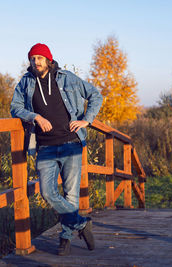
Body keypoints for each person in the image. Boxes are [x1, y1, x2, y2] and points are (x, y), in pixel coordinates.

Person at [10, 43, 103, 256]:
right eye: (33, 58)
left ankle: (65, 238)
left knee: (71, 194)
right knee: (47, 192)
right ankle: (81, 224)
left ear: (49, 60)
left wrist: (86, 121)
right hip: (44, 147)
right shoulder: (25, 82)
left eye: (40, 58)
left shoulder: (66, 78)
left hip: (71, 143)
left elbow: (95, 95)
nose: (36, 62)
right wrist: (35, 117)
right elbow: (15, 107)